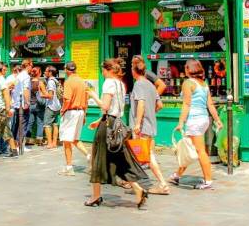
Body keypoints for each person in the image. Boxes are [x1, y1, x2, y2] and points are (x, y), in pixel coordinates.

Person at [84, 59, 149, 208]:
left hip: (107, 127)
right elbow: (115, 108)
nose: (102, 72)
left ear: (107, 70)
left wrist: (92, 94)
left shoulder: (108, 83)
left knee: (98, 159)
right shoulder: (120, 84)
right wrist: (100, 119)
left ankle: (95, 196)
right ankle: (138, 190)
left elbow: (105, 105)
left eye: (103, 70)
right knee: (119, 160)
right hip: (117, 124)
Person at [170, 59, 223, 190]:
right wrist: (217, 120)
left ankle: (208, 181)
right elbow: (210, 104)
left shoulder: (188, 83)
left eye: (186, 68)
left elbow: (187, 104)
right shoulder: (203, 84)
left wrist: (180, 122)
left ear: (189, 69)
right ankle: (177, 175)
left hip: (194, 120)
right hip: (204, 119)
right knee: (188, 148)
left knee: (200, 152)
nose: (184, 70)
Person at [130, 60, 169, 195]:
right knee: (143, 155)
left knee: (147, 155)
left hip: (143, 126)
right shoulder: (151, 85)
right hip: (151, 124)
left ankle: (162, 183)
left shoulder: (139, 84)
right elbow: (160, 105)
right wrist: (151, 112)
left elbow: (140, 103)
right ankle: (133, 183)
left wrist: (137, 123)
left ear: (134, 71)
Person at [58, 61, 90, 176]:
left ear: (67, 70)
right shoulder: (82, 81)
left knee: (67, 140)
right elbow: (86, 100)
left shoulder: (69, 81)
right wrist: (85, 114)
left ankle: (69, 167)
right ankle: (89, 156)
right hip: (81, 111)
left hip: (71, 112)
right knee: (75, 139)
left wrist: (62, 110)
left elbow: (67, 100)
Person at [11, 61, 32, 152]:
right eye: (31, 66)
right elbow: (26, 90)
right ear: (28, 66)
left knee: (17, 124)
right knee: (23, 124)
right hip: (22, 103)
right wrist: (27, 102)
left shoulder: (18, 75)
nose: (32, 68)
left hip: (17, 103)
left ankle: (15, 144)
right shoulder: (26, 76)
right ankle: (20, 145)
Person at [40, 65, 61, 149]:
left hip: (51, 106)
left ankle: (50, 143)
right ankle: (54, 143)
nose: (44, 72)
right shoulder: (56, 80)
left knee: (47, 125)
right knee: (55, 124)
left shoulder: (51, 82)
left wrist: (42, 94)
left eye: (46, 71)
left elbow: (50, 96)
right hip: (58, 106)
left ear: (50, 72)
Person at [28, 66, 46, 146]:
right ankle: (39, 140)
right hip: (38, 105)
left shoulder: (29, 82)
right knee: (40, 122)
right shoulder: (40, 83)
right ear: (39, 73)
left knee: (30, 122)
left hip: (30, 105)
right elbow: (45, 94)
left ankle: (28, 140)